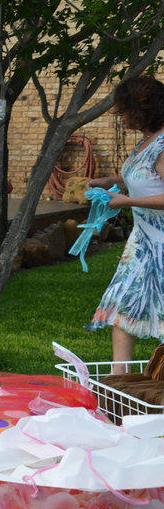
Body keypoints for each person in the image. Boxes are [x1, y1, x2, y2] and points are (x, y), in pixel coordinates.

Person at [87, 74, 164, 364]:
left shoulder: (163, 145)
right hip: (142, 243)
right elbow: (143, 177)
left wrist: (126, 201)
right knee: (123, 302)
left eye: (124, 110)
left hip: (161, 245)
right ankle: (119, 380)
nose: (120, 117)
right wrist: (110, 180)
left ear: (141, 110)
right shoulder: (148, 140)